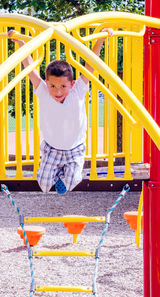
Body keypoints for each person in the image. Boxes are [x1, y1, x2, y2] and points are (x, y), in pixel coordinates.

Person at [8, 28, 113, 194]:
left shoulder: (78, 90)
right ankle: (57, 175)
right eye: (53, 86)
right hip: (51, 149)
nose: (57, 92)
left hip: (75, 149)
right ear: (47, 83)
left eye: (63, 86)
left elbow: (91, 65)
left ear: (72, 84)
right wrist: (21, 44)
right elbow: (30, 69)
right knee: (43, 184)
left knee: (72, 180)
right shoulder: (43, 92)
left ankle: (67, 175)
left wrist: (100, 39)